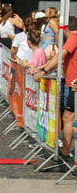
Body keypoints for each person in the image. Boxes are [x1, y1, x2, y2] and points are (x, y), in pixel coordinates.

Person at [31, 17, 77, 159]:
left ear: (66, 29)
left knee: (69, 118)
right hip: (72, 84)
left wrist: (43, 71)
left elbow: (60, 56)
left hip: (74, 85)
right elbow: (61, 59)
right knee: (68, 117)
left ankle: (67, 153)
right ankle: (66, 152)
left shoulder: (73, 38)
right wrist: (41, 68)